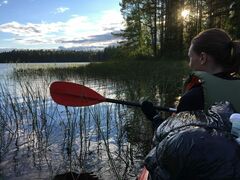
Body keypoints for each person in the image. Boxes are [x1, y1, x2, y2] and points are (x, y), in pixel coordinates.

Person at [140, 28, 240, 179]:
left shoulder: (194, 97)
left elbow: (173, 147)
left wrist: (154, 117)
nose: (189, 63)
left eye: (190, 57)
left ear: (203, 58)